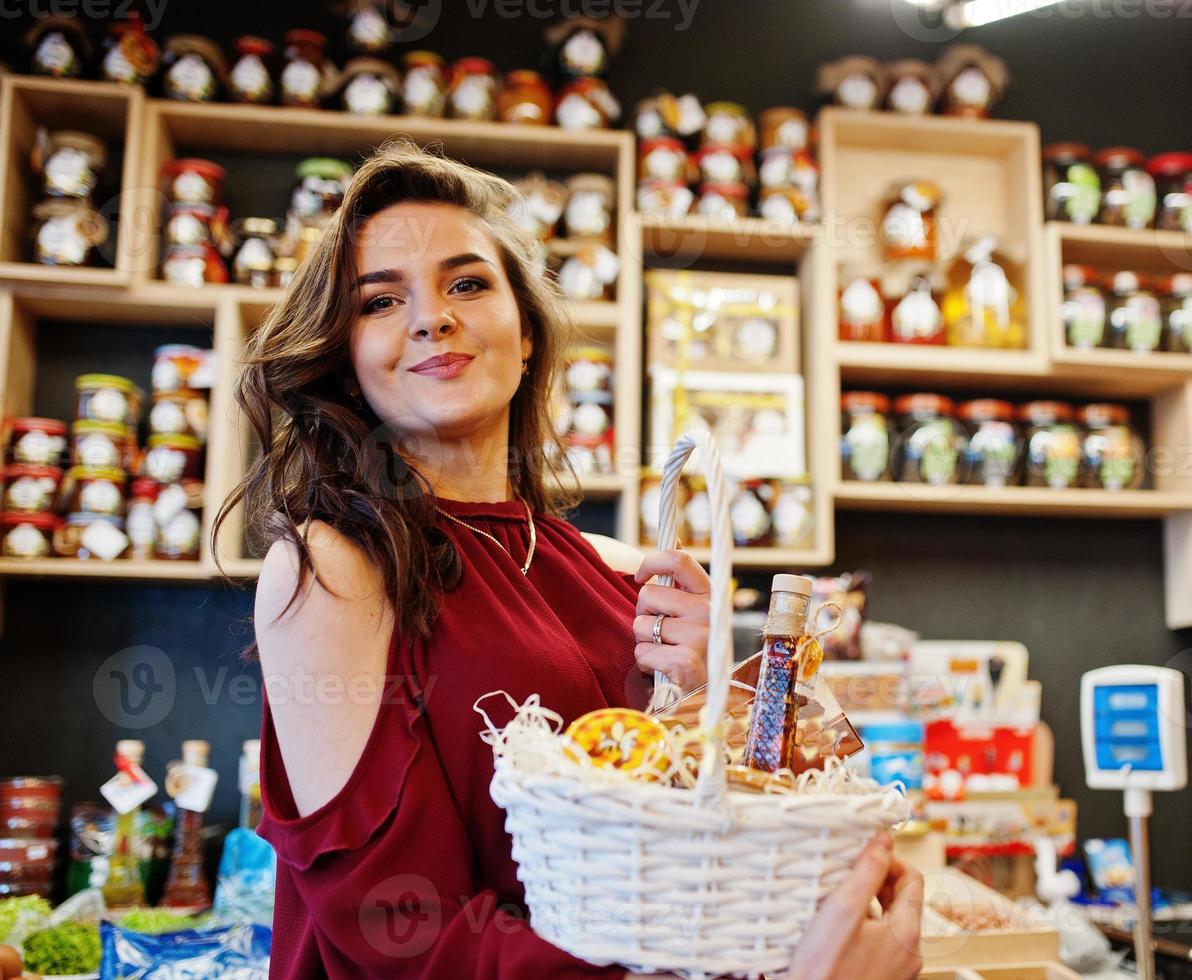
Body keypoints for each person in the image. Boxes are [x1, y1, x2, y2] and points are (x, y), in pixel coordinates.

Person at [219, 141, 924, 980]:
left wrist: (702, 710)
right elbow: (399, 930)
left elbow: (674, 864)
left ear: (525, 335)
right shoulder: (333, 568)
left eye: (468, 283)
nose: (431, 317)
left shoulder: (618, 567)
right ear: (345, 356)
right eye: (379, 301)